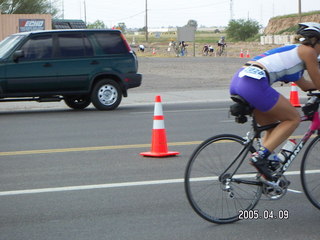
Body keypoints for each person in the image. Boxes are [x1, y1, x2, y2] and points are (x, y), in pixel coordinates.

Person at [229, 22, 320, 182]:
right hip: (253, 83)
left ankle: (266, 171)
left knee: (272, 126)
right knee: (293, 118)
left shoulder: (294, 55)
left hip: (240, 80)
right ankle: (260, 157)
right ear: (315, 41)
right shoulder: (308, 52)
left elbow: (307, 86)